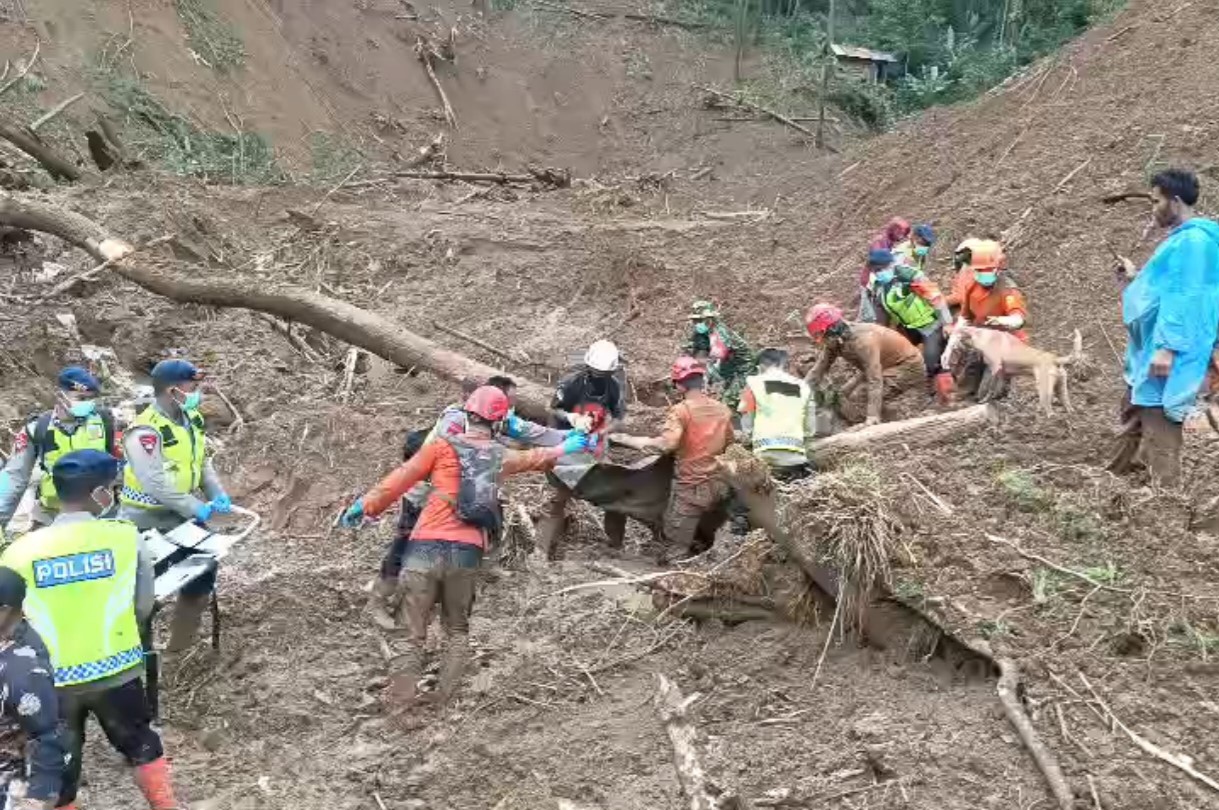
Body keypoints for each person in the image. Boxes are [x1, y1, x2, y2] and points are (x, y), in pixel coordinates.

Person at [339, 387, 591, 712]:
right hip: (467, 552)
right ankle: (441, 700)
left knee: (411, 632)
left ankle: (401, 706)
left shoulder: (441, 448)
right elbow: (536, 458)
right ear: (499, 422)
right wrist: (569, 445)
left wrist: (364, 506)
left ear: (467, 414)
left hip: (424, 546)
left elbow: (399, 479)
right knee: (456, 629)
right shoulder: (498, 455)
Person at [1, 450, 177, 810]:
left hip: (51, 683)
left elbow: (11, 621)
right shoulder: (126, 538)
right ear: (100, 493)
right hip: (117, 671)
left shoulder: (19, 552)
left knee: (61, 763)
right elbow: (143, 605)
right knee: (140, 741)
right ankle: (165, 805)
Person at [368, 375, 569, 628]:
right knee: (405, 543)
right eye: (507, 404)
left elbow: (531, 432)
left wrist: (572, 437)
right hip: (425, 493)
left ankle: (467, 575)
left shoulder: (494, 419)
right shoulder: (454, 422)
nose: (509, 412)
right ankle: (379, 599)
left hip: (464, 494)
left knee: (488, 519)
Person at [1108, 169, 1219, 488]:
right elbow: (1164, 289)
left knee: (1159, 422)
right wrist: (1133, 279)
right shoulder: (1185, 240)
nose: (1152, 208)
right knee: (1132, 412)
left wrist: (1167, 348)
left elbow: (1187, 297)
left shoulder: (1195, 243)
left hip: (1167, 350)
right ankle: (1110, 480)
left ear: (1176, 200)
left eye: (1156, 201)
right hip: (1150, 351)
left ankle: (1166, 502)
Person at [118, 359, 230, 652]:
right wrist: (197, 508)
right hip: (145, 520)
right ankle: (139, 656)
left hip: (182, 515)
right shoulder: (144, 431)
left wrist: (216, 493)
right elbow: (155, 482)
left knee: (201, 577)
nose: (198, 392)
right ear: (172, 390)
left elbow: (201, 462)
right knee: (143, 592)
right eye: (192, 386)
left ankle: (179, 649)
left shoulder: (190, 418)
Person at [610, 357, 734, 560]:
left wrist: (626, 439)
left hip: (691, 488)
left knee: (675, 547)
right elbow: (730, 445)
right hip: (720, 487)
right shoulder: (723, 410)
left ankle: (676, 577)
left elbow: (666, 444)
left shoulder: (681, 411)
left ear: (679, 385)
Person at [537, 340, 627, 560]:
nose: (599, 376)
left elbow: (619, 417)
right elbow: (553, 409)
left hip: (593, 446)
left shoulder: (614, 386)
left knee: (614, 498)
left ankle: (615, 547)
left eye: (604, 373)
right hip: (566, 443)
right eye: (596, 372)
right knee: (559, 498)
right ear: (588, 367)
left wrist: (603, 431)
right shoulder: (571, 383)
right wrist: (572, 417)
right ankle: (541, 551)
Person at [0, 367, 117, 533]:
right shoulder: (37, 429)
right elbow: (14, 477)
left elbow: (116, 465)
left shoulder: (103, 422)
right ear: (60, 396)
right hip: (52, 516)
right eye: (81, 398)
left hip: (99, 513)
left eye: (90, 399)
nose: (87, 404)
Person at [0, 566, 65, 810]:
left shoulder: (24, 668)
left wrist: (39, 795)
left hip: (9, 782)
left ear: (4, 611)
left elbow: (47, 734)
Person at [804, 304, 926, 426]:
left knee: (862, 396)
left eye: (819, 336)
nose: (817, 341)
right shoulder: (834, 341)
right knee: (842, 396)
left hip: (908, 365)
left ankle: (867, 425)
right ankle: (855, 419)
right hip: (880, 364)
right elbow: (817, 371)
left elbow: (874, 379)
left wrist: (872, 416)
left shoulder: (863, 342)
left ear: (832, 330)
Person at [868, 250, 956, 404]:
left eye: (882, 268)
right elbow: (882, 318)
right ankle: (920, 387)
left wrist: (947, 322)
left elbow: (935, 297)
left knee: (932, 360)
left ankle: (946, 393)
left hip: (930, 324)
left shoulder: (910, 276)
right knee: (904, 359)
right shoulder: (879, 289)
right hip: (908, 329)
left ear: (891, 265)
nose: (880, 273)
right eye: (877, 270)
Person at [952, 239, 1029, 399]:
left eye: (988, 271)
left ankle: (993, 396)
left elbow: (1018, 318)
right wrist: (955, 338)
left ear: (997, 269)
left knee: (988, 390)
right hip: (983, 339)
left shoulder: (1007, 290)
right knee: (968, 376)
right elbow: (966, 316)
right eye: (980, 271)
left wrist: (1002, 321)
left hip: (1006, 343)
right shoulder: (972, 287)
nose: (983, 275)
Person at [737, 348, 815, 481]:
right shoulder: (803, 387)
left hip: (765, 454)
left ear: (760, 366)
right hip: (796, 456)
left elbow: (747, 423)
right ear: (782, 365)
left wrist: (748, 442)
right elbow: (810, 427)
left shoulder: (754, 383)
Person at [684, 301, 755, 411]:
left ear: (710, 319)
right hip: (727, 366)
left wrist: (704, 382)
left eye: (700, 320)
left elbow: (715, 358)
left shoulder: (721, 333)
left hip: (742, 369)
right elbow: (691, 347)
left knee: (728, 400)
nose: (697, 323)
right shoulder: (706, 330)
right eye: (695, 320)